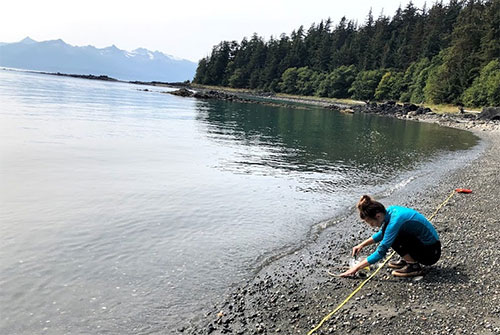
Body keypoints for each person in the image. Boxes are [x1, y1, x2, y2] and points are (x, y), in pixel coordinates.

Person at [340, 195, 441, 278]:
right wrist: (361, 245)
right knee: (391, 234)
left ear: (378, 216)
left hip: (431, 253)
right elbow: (383, 233)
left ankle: (413, 266)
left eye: (370, 223)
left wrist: (355, 268)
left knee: (394, 238)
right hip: (429, 246)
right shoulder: (391, 211)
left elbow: (381, 251)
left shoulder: (395, 222)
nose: (372, 226)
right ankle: (409, 259)